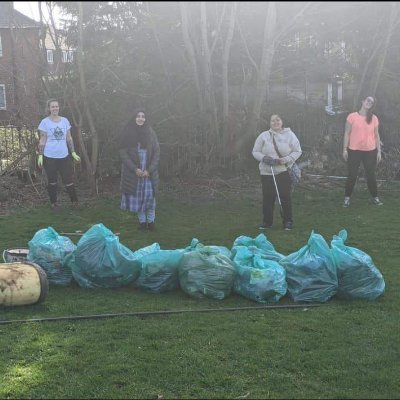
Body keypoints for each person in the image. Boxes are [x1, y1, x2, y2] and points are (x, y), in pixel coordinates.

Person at [252, 114, 302, 230]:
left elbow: (297, 151)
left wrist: (285, 159)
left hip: (283, 171)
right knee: (268, 198)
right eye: (273, 120)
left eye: (278, 120)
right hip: (267, 172)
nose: (275, 122)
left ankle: (288, 221)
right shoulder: (263, 136)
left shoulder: (290, 135)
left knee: (285, 197)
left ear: (282, 121)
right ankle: (267, 222)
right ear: (269, 123)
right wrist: (264, 158)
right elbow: (255, 151)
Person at [119, 108, 160, 231]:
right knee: (138, 198)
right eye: (138, 116)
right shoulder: (127, 132)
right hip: (134, 172)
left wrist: (150, 170)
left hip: (148, 172)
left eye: (143, 116)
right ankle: (142, 222)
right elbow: (123, 153)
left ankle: (151, 222)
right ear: (134, 117)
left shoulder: (151, 132)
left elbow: (157, 152)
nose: (141, 118)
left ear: (145, 118)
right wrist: (134, 169)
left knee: (150, 198)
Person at [37, 99, 81, 210]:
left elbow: (69, 138)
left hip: (64, 156)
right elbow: (42, 139)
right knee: (52, 181)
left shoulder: (65, 121)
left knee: (68, 180)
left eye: (56, 106)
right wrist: (40, 155)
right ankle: (54, 204)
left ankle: (75, 202)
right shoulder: (44, 122)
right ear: (49, 108)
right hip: (49, 157)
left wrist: (73, 153)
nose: (55, 108)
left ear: (59, 107)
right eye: (52, 107)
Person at [342, 95, 382, 207]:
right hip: (354, 151)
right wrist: (344, 149)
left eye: (372, 102)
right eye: (368, 100)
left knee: (371, 175)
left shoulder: (374, 118)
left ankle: (375, 198)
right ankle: (347, 198)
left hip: (370, 151)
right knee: (352, 175)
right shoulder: (352, 117)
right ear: (363, 101)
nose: (369, 102)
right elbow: (347, 133)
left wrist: (379, 151)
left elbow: (376, 135)